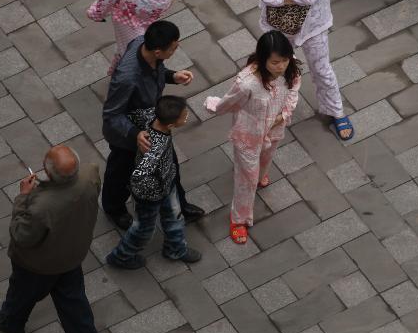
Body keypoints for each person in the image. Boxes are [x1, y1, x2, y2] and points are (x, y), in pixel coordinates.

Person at [0, 145, 101, 333]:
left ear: (47, 172)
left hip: (39, 266)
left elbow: (21, 235)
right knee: (75, 308)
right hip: (73, 256)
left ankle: (12, 323)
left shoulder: (41, 207)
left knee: (21, 293)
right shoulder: (90, 173)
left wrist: (23, 197)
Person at [257, 0, 354, 141]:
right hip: (278, 23)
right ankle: (273, 110)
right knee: (274, 68)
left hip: (313, 24)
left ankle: (335, 111)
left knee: (322, 70)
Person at [101, 20, 205, 229]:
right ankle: (114, 208)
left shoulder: (142, 42)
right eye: (173, 48)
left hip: (151, 122)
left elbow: (157, 71)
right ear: (158, 51)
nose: (176, 48)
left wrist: (172, 76)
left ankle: (181, 205)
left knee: (169, 164)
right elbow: (112, 115)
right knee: (120, 171)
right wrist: (135, 134)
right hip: (128, 133)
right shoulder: (126, 78)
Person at [205, 31, 301, 244]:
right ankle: (239, 218)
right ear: (262, 58)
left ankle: (260, 176)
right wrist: (214, 106)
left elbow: (294, 89)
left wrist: (284, 114)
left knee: (266, 158)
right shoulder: (247, 82)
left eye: (284, 60)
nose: (281, 66)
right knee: (246, 178)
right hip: (249, 132)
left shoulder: (291, 67)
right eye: (275, 62)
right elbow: (230, 102)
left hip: (274, 128)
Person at [105, 95, 202, 269]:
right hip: (151, 196)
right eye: (184, 117)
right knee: (143, 230)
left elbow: (131, 114)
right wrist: (149, 191)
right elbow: (139, 175)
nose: (187, 117)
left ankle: (175, 248)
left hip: (167, 183)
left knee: (175, 217)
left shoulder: (151, 115)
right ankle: (121, 256)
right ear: (171, 125)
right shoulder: (155, 148)